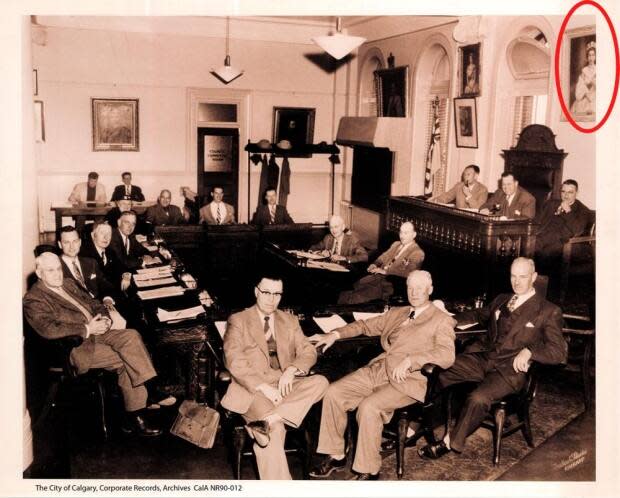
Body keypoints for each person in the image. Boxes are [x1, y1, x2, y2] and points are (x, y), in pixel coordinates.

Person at [308, 270, 456, 480]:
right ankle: (337, 454)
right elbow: (365, 326)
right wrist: (335, 334)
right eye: (410, 288)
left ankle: (370, 470)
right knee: (334, 392)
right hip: (380, 369)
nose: (414, 293)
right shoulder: (399, 312)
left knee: (369, 407)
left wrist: (411, 361)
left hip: (409, 380)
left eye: (420, 288)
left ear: (430, 290)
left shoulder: (441, 320)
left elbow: (446, 354)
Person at [418, 257, 567, 459]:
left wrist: (531, 351)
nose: (516, 282)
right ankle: (415, 423)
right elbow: (479, 315)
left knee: (477, 399)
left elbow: (559, 353)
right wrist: (448, 320)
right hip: (482, 359)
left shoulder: (549, 311)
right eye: (513, 276)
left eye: (522, 277)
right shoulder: (502, 299)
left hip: (509, 371)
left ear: (533, 277)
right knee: (435, 371)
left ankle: (449, 441)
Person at [23, 253, 173, 436]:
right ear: (39, 273)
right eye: (50, 270)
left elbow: (94, 303)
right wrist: (87, 328)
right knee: (127, 358)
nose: (57, 274)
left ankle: (147, 393)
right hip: (75, 346)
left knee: (132, 336)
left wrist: (105, 318)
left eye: (58, 269)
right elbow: (49, 329)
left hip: (98, 331)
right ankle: (137, 413)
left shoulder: (68, 284)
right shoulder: (34, 298)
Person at [220, 272, 329, 480]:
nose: (272, 299)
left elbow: (308, 350)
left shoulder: (289, 320)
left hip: (285, 384)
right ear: (256, 292)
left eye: (277, 294)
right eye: (267, 292)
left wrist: (291, 370)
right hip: (253, 390)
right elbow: (234, 361)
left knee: (321, 382)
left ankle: (267, 421)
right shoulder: (238, 320)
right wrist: (264, 387)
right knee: (275, 431)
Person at [338, 222, 424, 304]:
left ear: (414, 234)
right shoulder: (396, 244)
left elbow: (409, 273)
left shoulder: (417, 253)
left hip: (389, 284)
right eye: (401, 232)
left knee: (355, 299)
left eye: (406, 233)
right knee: (344, 294)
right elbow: (383, 257)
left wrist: (386, 271)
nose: (402, 236)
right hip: (375, 278)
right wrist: (375, 264)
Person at [58, 226, 118, 303]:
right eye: (66, 242)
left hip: (100, 306)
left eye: (75, 241)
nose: (71, 246)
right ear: (60, 244)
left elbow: (105, 286)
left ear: (80, 242)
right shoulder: (55, 267)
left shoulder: (91, 263)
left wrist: (107, 299)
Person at [570, 41, 596, 116]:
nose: (591, 58)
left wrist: (594, 83)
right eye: (589, 55)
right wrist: (585, 92)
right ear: (587, 57)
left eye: (593, 55)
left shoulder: (598, 69)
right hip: (585, 95)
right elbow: (580, 85)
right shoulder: (584, 70)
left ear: (595, 56)